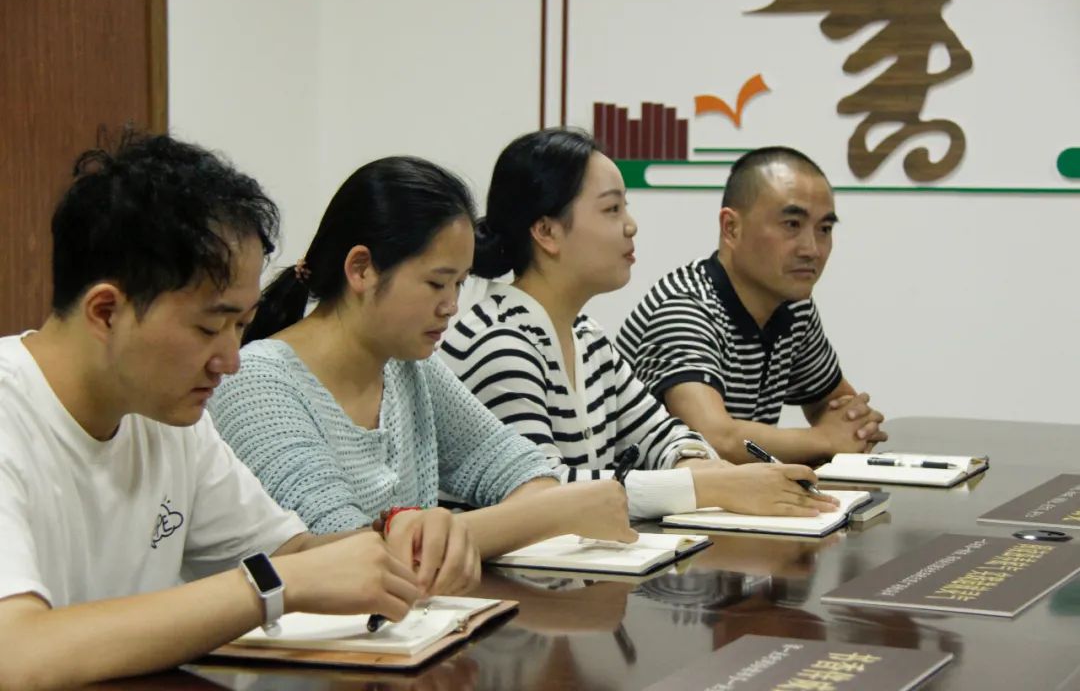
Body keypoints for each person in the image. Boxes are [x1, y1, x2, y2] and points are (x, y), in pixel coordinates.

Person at [0, 133, 485, 689]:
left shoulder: (168, 419)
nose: (231, 361)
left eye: (241, 325)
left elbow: (292, 552)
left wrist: (400, 538)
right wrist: (272, 585)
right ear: (106, 312)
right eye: (210, 327)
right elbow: (17, 652)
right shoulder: (13, 411)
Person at [209, 155, 636, 560]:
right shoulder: (256, 385)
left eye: (459, 284)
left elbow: (525, 472)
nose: (451, 306)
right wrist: (554, 514)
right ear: (362, 269)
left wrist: (541, 510)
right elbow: (344, 556)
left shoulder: (409, 368)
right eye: (436, 284)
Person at [440, 129, 838, 520]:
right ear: (547, 232)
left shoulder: (588, 338)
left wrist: (706, 471)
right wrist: (712, 486)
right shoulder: (500, 342)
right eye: (612, 209)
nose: (631, 225)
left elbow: (665, 437)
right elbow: (542, 496)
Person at [615, 146, 886, 465]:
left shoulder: (794, 306)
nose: (812, 249)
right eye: (792, 225)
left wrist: (851, 428)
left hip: (731, 493)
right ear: (731, 228)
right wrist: (825, 440)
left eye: (824, 229)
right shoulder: (685, 307)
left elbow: (838, 406)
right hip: (635, 496)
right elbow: (712, 439)